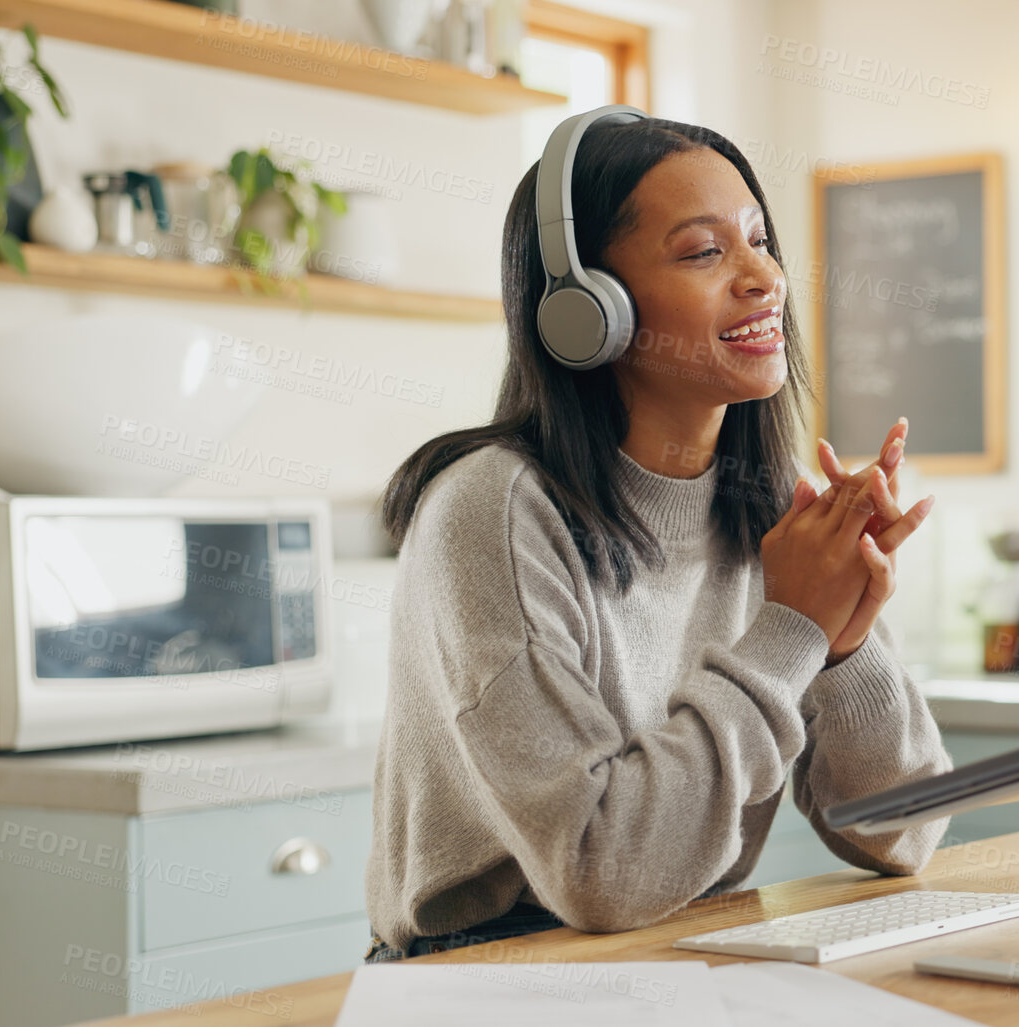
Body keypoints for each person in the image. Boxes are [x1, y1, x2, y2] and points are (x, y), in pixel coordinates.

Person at [362, 108, 950, 963]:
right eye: (705, 251)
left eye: (759, 240)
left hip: (679, 957)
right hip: (491, 979)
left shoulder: (766, 506)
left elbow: (902, 833)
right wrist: (791, 632)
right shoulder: (491, 510)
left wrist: (841, 641)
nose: (763, 278)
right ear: (584, 307)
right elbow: (603, 871)